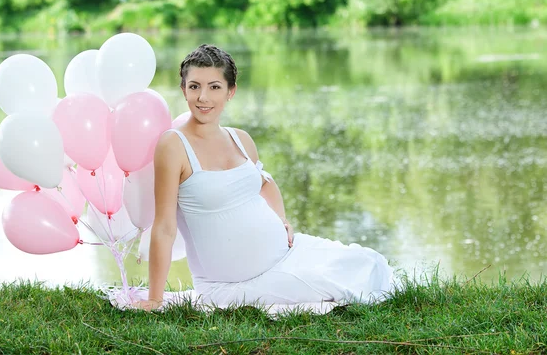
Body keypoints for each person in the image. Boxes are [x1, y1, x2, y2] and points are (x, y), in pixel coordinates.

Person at [136, 44, 394, 311]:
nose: (203, 97)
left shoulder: (240, 139)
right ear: (183, 90)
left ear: (230, 91)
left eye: (214, 87)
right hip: (231, 283)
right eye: (194, 86)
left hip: (285, 255)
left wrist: (281, 220)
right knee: (343, 283)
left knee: (367, 262)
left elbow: (265, 183)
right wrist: (155, 299)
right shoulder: (174, 145)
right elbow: (165, 227)